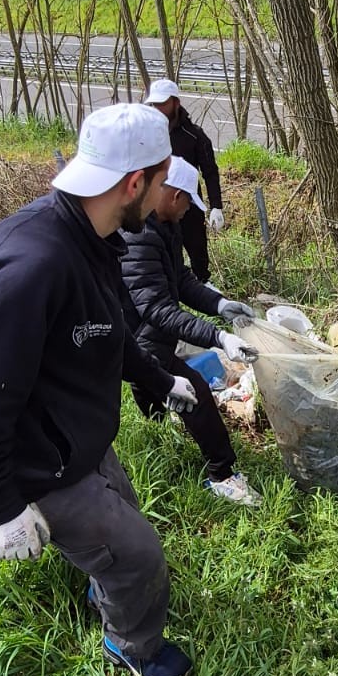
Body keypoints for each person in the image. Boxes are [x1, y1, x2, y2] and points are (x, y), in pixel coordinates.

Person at [0, 103, 200, 676]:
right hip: (38, 462)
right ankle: (132, 647)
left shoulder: (94, 237)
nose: (165, 198)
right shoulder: (33, 264)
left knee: (125, 524)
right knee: (140, 557)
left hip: (76, 439)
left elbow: (107, 332)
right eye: (163, 183)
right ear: (136, 182)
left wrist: (161, 380)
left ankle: (106, 588)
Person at [121, 156, 262, 506]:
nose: (189, 211)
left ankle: (158, 425)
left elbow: (179, 279)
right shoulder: (138, 235)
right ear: (172, 195)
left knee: (152, 382)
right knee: (194, 391)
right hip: (135, 336)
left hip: (148, 334)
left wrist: (219, 305)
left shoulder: (165, 225)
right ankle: (223, 475)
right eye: (187, 202)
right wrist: (219, 337)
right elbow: (155, 308)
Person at [143, 79, 224, 286]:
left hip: (187, 202)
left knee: (196, 244)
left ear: (175, 103)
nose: (158, 108)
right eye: (155, 104)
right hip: (155, 203)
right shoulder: (147, 134)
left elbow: (210, 172)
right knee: (163, 248)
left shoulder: (194, 136)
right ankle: (168, 286)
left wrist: (216, 206)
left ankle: (203, 283)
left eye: (163, 103)